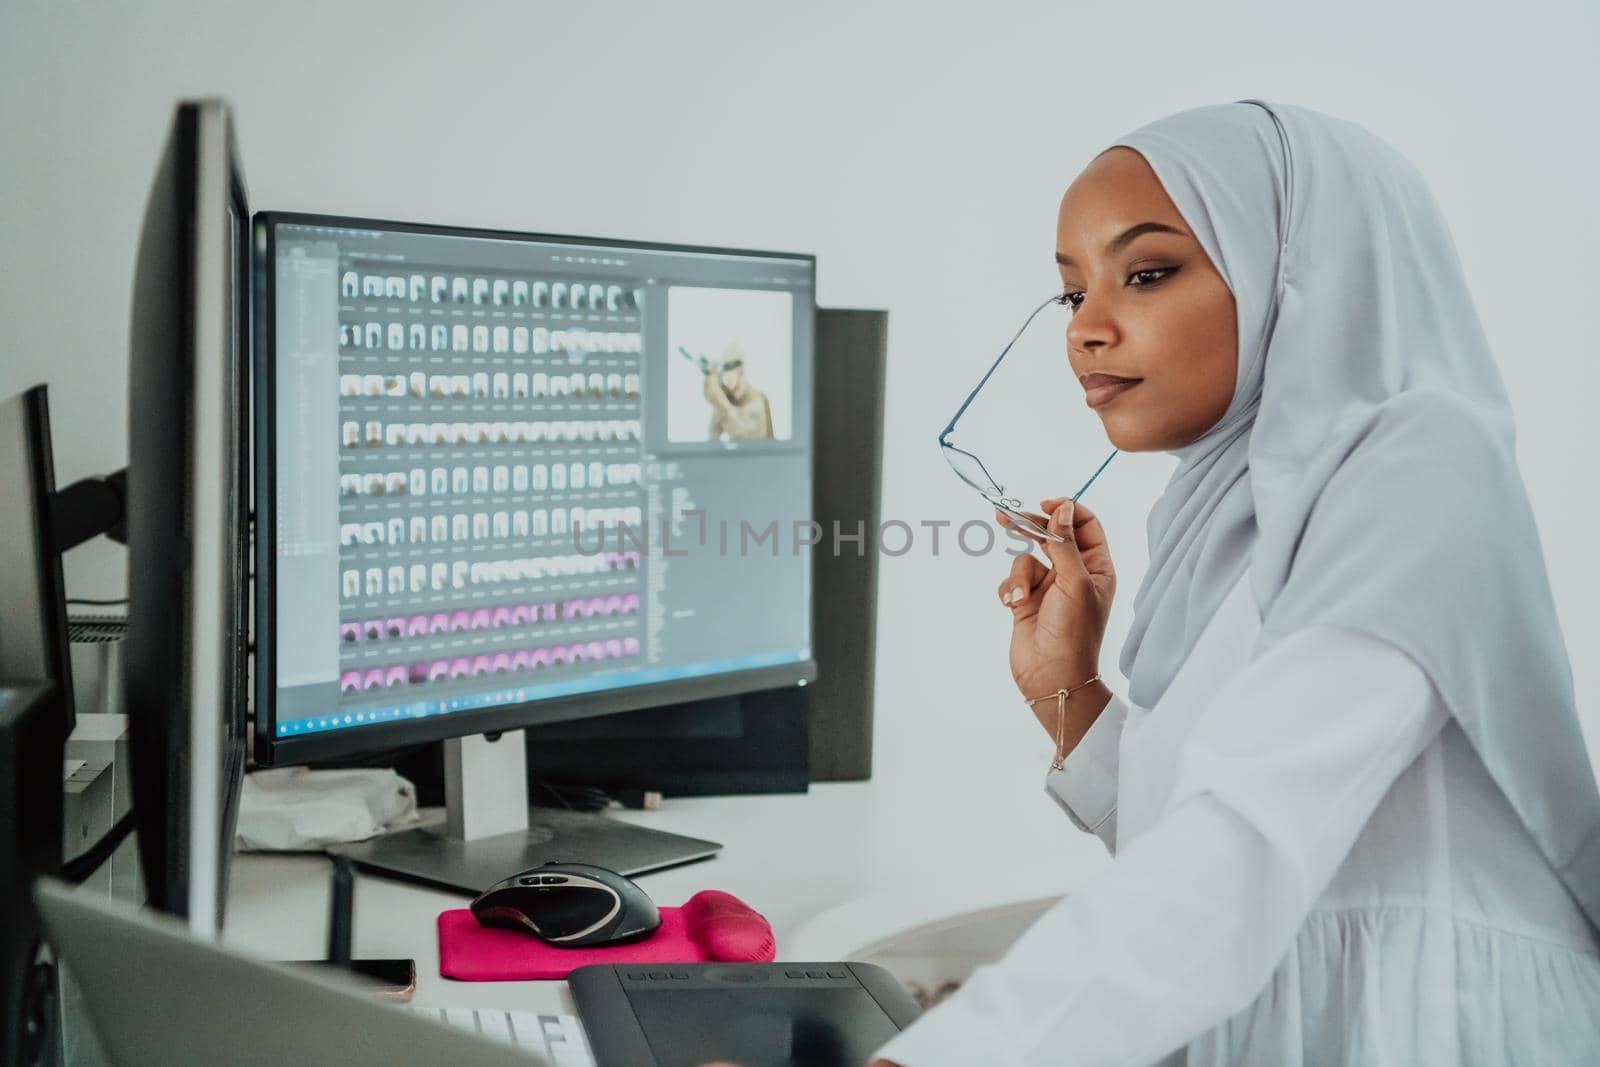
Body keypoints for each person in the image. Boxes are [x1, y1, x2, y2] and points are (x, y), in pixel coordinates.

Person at [862, 99, 1600, 1066]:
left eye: (1148, 273)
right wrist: (1069, 693)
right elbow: (1198, 831)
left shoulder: (1420, 465)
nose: (1087, 330)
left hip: (1433, 1026)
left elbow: (1243, 849)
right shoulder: (1237, 506)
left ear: (1298, 276)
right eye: (1071, 292)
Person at [703, 341, 775, 440]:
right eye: (723, 368)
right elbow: (712, 443)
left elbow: (746, 437)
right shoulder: (725, 402)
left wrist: (719, 397)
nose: (727, 373)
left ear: (741, 369)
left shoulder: (757, 400)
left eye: (730, 367)